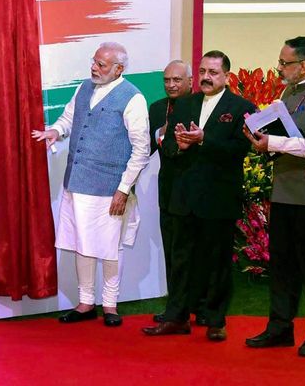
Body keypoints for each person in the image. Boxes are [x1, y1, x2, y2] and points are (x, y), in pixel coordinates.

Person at [32, 42, 150, 327]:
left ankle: (110, 305)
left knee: (110, 248)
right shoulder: (84, 88)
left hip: (110, 188)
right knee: (81, 243)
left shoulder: (133, 98)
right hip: (77, 182)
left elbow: (141, 149)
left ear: (118, 69)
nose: (94, 68)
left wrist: (123, 189)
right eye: (94, 62)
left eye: (101, 64)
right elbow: (68, 118)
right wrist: (56, 131)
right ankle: (85, 303)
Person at [142, 51, 255, 341]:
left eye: (213, 72)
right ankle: (176, 317)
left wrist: (204, 140)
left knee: (217, 262)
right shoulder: (184, 104)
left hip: (219, 198)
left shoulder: (242, 108)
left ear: (227, 76)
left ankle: (215, 320)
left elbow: (240, 150)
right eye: (203, 71)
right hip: (183, 197)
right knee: (180, 261)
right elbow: (167, 146)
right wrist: (179, 146)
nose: (206, 77)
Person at [243, 37, 305, 357]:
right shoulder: (288, 93)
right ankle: (280, 328)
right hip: (285, 191)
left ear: (304, 65)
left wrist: (272, 143)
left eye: (284, 63)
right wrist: (262, 137)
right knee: (282, 265)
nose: (279, 68)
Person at [147, 60, 201, 323]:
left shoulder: (201, 106)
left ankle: (202, 307)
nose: (171, 85)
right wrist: (161, 133)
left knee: (197, 252)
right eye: (167, 80)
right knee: (171, 251)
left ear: (190, 81)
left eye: (177, 80)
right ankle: (176, 307)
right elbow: (147, 147)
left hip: (197, 191)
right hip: (168, 191)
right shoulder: (158, 108)